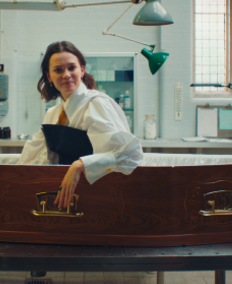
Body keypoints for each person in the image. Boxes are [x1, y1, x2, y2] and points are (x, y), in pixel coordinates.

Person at [17, 41, 144, 209]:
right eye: (58, 70)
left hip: (99, 196)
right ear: (49, 76)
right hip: (66, 199)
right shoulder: (52, 114)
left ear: (82, 70)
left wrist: (80, 165)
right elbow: (32, 158)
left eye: (72, 68)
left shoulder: (97, 104)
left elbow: (130, 154)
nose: (66, 75)